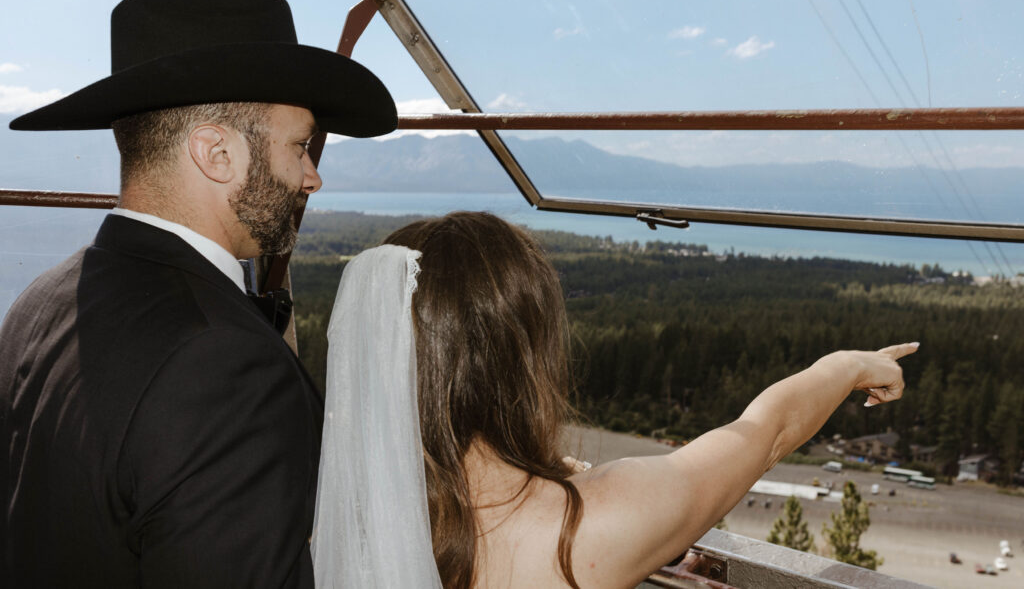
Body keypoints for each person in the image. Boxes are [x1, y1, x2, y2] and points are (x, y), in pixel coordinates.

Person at [0, 0, 396, 588]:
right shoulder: (226, 369)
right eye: (298, 146)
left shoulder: (39, 303)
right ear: (216, 153)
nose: (311, 177)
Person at [314, 211, 914, 589]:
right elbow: (767, 431)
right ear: (523, 358)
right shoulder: (588, 524)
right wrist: (848, 365)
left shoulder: (346, 516)